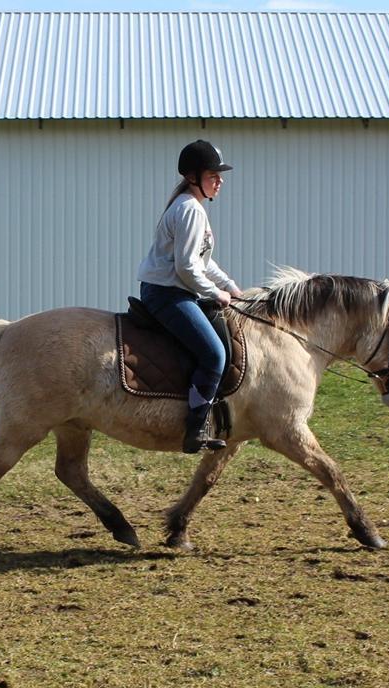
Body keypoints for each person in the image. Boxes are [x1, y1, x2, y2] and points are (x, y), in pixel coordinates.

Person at [137, 140, 243, 454]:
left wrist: (232, 287)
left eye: (219, 175)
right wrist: (216, 293)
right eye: (213, 175)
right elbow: (186, 268)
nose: (219, 180)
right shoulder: (189, 210)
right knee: (214, 355)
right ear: (194, 177)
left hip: (175, 289)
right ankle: (195, 428)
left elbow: (202, 262)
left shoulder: (191, 207)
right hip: (167, 293)